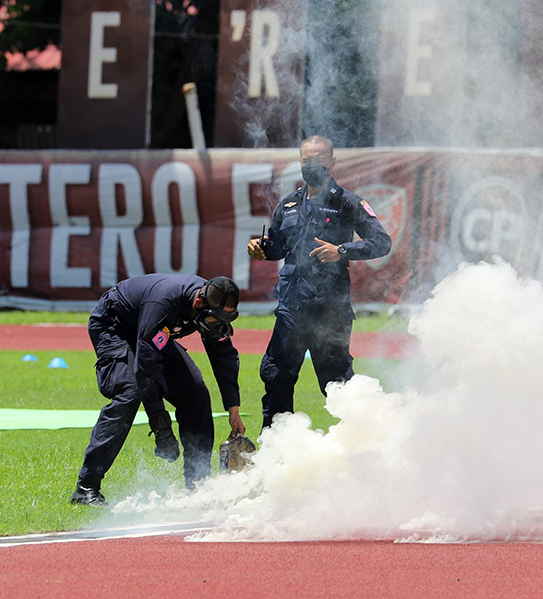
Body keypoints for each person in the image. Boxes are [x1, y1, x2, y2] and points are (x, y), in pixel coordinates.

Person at [247, 135, 392, 429]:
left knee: (337, 384)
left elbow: (381, 242)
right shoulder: (288, 204)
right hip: (291, 308)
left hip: (330, 310)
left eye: (318, 160)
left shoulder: (349, 203)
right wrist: (261, 248)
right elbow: (276, 246)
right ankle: (276, 448)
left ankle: (365, 441)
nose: (312, 165)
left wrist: (340, 251)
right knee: (276, 376)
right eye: (306, 160)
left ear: (332, 163)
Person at [70, 274, 245, 506]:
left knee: (196, 394)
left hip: (151, 333)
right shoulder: (164, 303)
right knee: (130, 392)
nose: (217, 327)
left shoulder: (212, 306)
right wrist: (162, 429)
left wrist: (233, 408)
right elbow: (146, 368)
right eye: (214, 321)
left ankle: (198, 487)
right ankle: (86, 487)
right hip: (117, 327)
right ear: (198, 303)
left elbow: (223, 354)